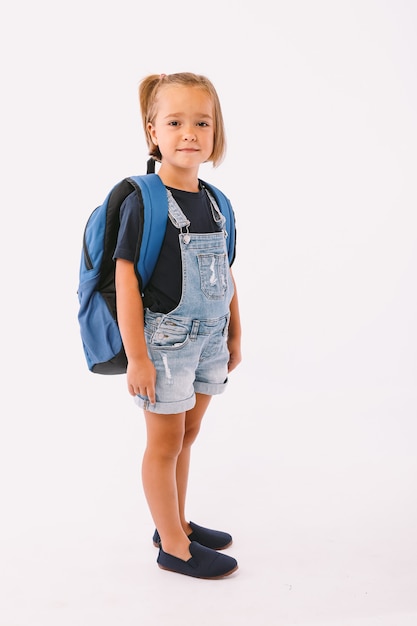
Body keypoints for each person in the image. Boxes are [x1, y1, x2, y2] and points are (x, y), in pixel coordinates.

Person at [113, 72, 242, 579]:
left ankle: (177, 523)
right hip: (164, 342)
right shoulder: (144, 200)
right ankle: (173, 548)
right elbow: (125, 278)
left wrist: (235, 330)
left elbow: (226, 270)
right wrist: (138, 356)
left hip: (210, 337)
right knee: (164, 443)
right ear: (153, 132)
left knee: (188, 434)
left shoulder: (215, 201)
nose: (189, 133)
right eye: (175, 122)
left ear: (215, 133)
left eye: (201, 122)